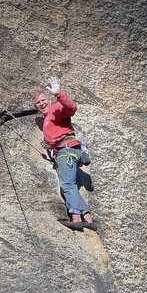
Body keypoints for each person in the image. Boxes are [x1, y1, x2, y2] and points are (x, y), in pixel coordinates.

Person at [33, 77, 97, 231]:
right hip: (66, 150)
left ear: (49, 100)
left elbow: (72, 108)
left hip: (66, 151)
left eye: (43, 100)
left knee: (67, 185)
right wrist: (49, 144)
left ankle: (76, 218)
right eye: (38, 103)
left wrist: (59, 95)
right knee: (72, 186)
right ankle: (87, 217)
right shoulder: (48, 118)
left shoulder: (56, 109)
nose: (41, 104)